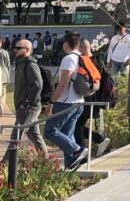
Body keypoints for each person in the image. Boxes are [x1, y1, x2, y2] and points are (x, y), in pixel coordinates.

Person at [44, 31, 89, 169]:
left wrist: (51, 102)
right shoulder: (82, 57)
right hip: (78, 102)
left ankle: (76, 149)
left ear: (66, 43)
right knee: (67, 134)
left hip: (66, 102)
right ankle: (71, 166)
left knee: (50, 131)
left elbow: (63, 84)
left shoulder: (68, 59)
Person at [1, 39, 47, 161]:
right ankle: (45, 161)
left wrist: (27, 102)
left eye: (18, 48)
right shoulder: (20, 63)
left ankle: (4, 165)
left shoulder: (30, 65)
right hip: (23, 107)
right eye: (14, 47)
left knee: (16, 135)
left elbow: (38, 85)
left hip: (29, 108)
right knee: (34, 135)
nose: (15, 50)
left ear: (27, 50)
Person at [74, 39, 112, 157]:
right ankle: (99, 140)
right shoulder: (98, 61)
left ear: (81, 48)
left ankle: (83, 153)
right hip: (96, 99)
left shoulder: (85, 62)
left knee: (77, 126)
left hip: (87, 99)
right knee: (77, 125)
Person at [0, 38, 9, 117]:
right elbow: (8, 64)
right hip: (3, 74)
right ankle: (1, 105)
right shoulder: (5, 53)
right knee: (3, 92)